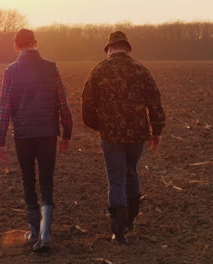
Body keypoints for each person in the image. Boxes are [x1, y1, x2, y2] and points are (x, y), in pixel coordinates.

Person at [82, 31, 166, 245]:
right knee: (131, 172)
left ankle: (118, 230)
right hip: (137, 134)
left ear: (109, 49)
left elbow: (87, 104)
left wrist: (99, 126)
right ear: (127, 48)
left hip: (110, 135)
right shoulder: (140, 70)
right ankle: (131, 218)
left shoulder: (99, 70)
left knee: (116, 180)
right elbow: (154, 102)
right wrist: (157, 130)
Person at [0, 28, 73, 252]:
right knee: (47, 180)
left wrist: (0, 141)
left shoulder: (11, 71)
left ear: (16, 46)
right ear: (36, 43)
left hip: (23, 135)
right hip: (48, 132)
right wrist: (66, 133)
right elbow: (64, 103)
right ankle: (46, 232)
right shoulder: (51, 68)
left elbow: (4, 108)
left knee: (28, 180)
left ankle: (35, 232)